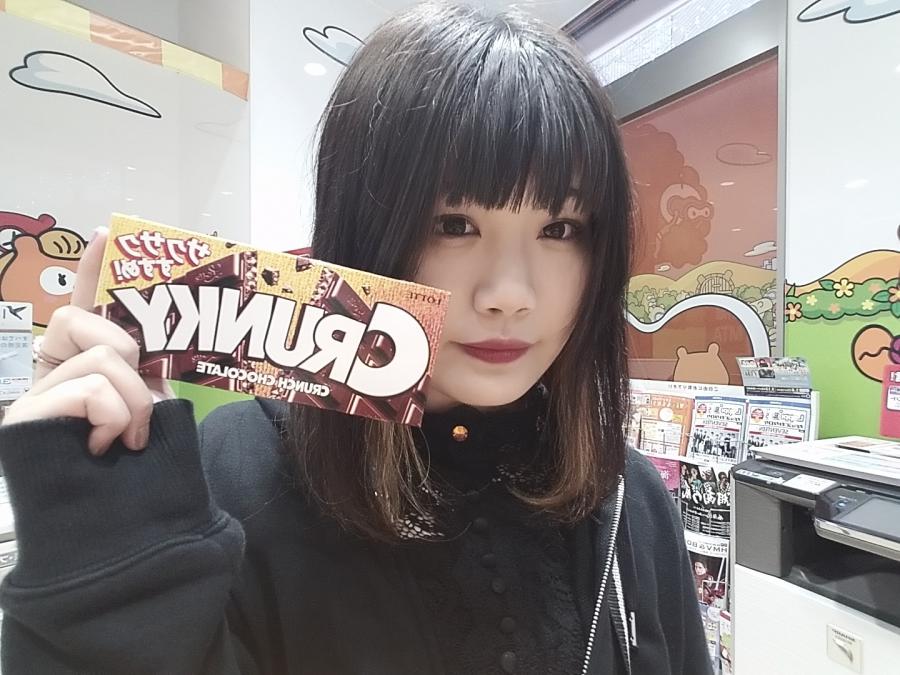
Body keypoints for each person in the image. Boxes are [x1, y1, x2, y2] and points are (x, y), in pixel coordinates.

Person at [0, 3, 711, 674]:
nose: (510, 293)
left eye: (561, 229)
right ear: (362, 229)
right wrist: (103, 565)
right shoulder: (238, 470)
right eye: (453, 224)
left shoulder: (628, 495)